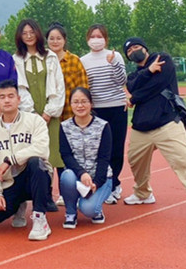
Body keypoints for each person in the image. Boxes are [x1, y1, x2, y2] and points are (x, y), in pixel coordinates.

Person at [122, 38, 186, 222]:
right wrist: (148, 72)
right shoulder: (134, 76)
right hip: (141, 126)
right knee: (135, 161)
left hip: (167, 122)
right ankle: (143, 193)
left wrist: (134, 99)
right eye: (130, 50)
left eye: (136, 46)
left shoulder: (162, 59)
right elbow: (132, 86)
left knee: (185, 162)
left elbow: (157, 85)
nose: (134, 51)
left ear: (145, 47)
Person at [0, 79, 53, 241]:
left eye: (11, 96)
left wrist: (10, 160)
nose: (7, 100)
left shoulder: (35, 121)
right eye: (2, 97)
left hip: (33, 177)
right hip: (9, 182)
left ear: (19, 99)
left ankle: (40, 218)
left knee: (36, 162)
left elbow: (41, 149)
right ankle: (19, 205)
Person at [14, 19, 65, 214]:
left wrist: (48, 112)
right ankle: (40, 195)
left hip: (50, 114)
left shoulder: (50, 57)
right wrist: (33, 114)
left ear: (37, 33)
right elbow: (20, 88)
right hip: (29, 115)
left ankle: (52, 194)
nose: (28, 36)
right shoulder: (17, 59)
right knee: (34, 155)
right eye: (24, 33)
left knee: (52, 154)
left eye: (31, 32)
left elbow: (59, 86)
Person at [80, 24, 127, 205]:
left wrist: (113, 63)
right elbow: (86, 86)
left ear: (106, 39)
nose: (96, 39)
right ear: (87, 39)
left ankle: (114, 185)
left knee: (116, 148)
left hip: (117, 107)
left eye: (99, 36)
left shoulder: (115, 56)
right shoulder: (84, 60)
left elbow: (122, 80)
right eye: (92, 36)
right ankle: (102, 184)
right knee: (100, 150)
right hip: (97, 110)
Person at [46, 22, 89, 206]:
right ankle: (47, 194)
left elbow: (83, 87)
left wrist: (81, 112)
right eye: (51, 38)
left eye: (58, 38)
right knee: (50, 155)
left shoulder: (74, 61)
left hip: (70, 115)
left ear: (64, 40)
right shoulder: (44, 60)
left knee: (69, 155)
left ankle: (68, 192)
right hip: (50, 117)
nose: (55, 41)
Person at [59, 87, 112, 229]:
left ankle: (95, 207)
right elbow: (66, 155)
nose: (80, 106)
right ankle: (71, 212)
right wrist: (81, 173)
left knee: (89, 209)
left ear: (91, 104)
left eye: (84, 101)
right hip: (76, 176)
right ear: (70, 105)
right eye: (75, 102)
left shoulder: (103, 126)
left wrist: (97, 183)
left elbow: (104, 158)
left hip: (100, 177)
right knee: (67, 175)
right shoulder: (64, 126)